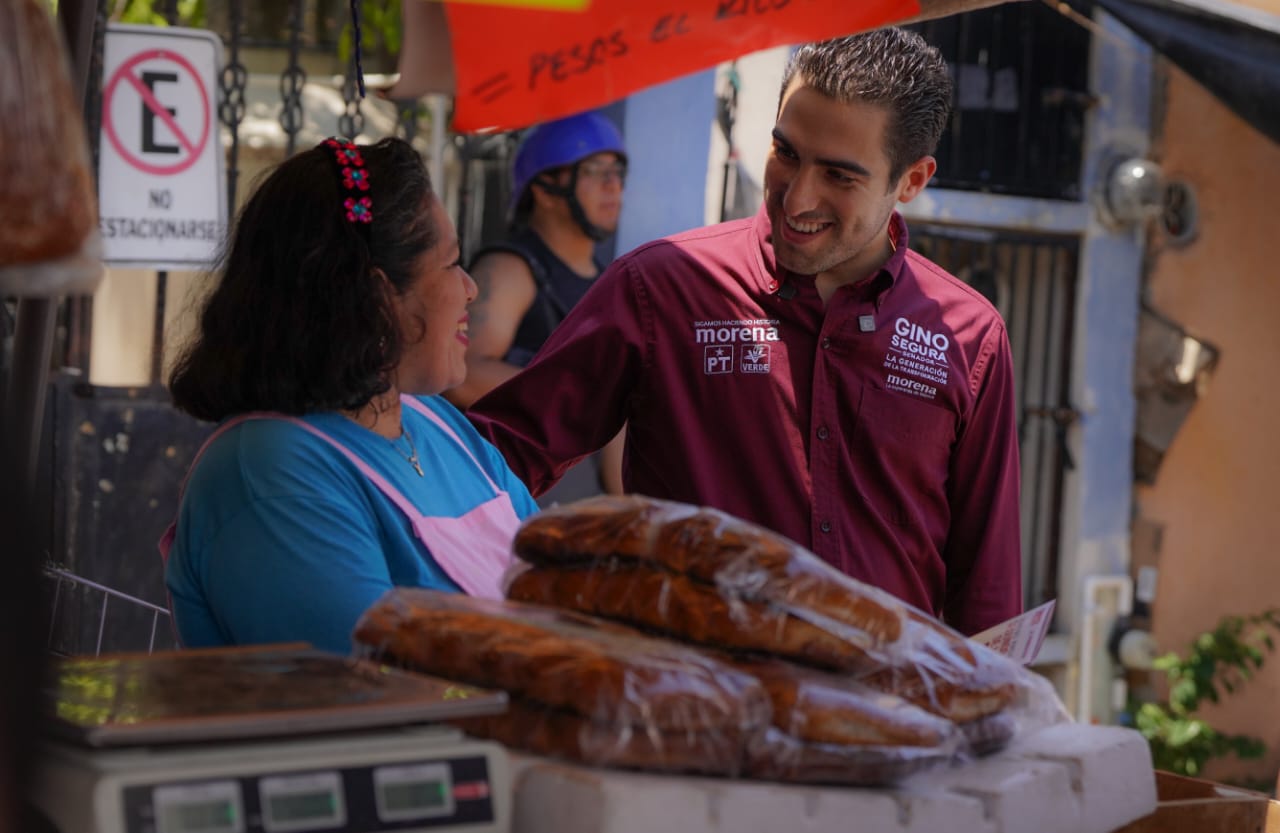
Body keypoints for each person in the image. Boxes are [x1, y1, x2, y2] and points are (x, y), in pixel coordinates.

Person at [468, 28, 1022, 636]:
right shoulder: (663, 286)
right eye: (787, 153)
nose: (797, 197)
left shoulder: (971, 337)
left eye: (839, 176)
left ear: (911, 181)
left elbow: (987, 593)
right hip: (684, 707)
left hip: (881, 721)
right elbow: (496, 460)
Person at [162, 137, 539, 655]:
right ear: (381, 298)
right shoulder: (270, 471)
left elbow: (556, 580)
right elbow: (368, 683)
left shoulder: (436, 422)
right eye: (452, 264)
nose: (471, 289)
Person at [444, 111, 628, 503]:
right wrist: (585, 392)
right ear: (544, 190)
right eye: (593, 171)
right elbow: (464, 372)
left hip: (576, 510)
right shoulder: (512, 269)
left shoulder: (606, 277)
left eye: (617, 171)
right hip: (507, 501)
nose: (613, 185)